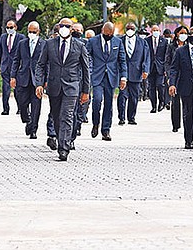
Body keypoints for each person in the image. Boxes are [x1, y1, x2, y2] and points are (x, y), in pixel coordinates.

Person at [34, 18, 90, 161]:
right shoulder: (49, 44)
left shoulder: (80, 46)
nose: (64, 28)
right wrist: (39, 83)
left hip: (72, 87)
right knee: (57, 117)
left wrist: (85, 91)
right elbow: (41, 64)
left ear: (72, 29)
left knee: (67, 116)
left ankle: (64, 148)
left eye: (67, 26)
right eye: (62, 26)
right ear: (58, 28)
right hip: (54, 86)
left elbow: (85, 69)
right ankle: (62, 139)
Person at [85, 22, 127, 141]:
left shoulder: (118, 42)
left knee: (109, 104)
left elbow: (122, 60)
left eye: (111, 34)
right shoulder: (93, 41)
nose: (108, 36)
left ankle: (106, 130)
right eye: (106, 34)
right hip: (97, 76)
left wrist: (123, 77)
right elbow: (87, 57)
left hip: (111, 77)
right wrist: (90, 71)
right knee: (97, 101)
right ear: (102, 31)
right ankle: (95, 124)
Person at [11, 21, 46, 139]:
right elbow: (16, 60)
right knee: (22, 102)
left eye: (34, 32)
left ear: (38, 31)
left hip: (37, 80)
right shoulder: (22, 43)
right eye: (30, 32)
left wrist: (45, 80)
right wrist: (13, 76)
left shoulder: (44, 44)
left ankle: (33, 128)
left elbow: (48, 63)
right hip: (23, 77)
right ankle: (26, 119)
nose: (31, 33)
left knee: (36, 105)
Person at [117, 22, 150, 125]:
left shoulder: (142, 42)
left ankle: (131, 117)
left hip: (136, 72)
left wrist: (145, 70)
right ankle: (121, 117)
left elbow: (146, 57)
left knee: (134, 97)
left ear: (135, 30)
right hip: (123, 73)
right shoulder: (119, 41)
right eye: (128, 28)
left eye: (132, 28)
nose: (130, 30)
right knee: (122, 95)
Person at [0, 19, 24, 115]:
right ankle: (5, 109)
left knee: (18, 90)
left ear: (15, 27)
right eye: (7, 27)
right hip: (5, 67)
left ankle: (20, 108)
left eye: (11, 27)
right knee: (5, 89)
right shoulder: (3, 37)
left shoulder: (21, 37)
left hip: (17, 68)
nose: (9, 29)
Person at [165, 26, 188, 132]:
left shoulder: (189, 46)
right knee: (175, 102)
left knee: (187, 102)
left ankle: (187, 122)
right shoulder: (171, 46)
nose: (183, 35)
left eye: (185, 33)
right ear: (177, 34)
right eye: (181, 33)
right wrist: (169, 77)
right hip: (174, 76)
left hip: (186, 77)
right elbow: (168, 62)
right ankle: (175, 124)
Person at [145, 24, 168, 114]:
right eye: (154, 30)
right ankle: (153, 106)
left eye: (157, 30)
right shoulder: (146, 41)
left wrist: (166, 68)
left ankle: (161, 102)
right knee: (151, 87)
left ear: (160, 31)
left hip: (160, 67)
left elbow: (166, 56)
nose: (155, 32)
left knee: (160, 85)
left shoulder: (164, 41)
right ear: (151, 32)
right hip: (150, 67)